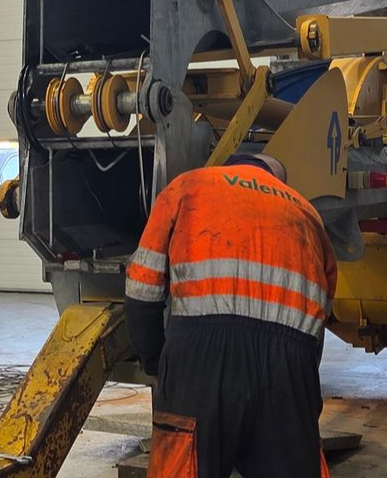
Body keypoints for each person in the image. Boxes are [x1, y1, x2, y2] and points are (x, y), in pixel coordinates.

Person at [125, 152, 338, 478]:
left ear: (231, 167)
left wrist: (156, 362)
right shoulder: (306, 212)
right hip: (289, 366)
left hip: (200, 360)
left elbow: (142, 287)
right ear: (276, 178)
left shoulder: (188, 186)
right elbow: (320, 317)